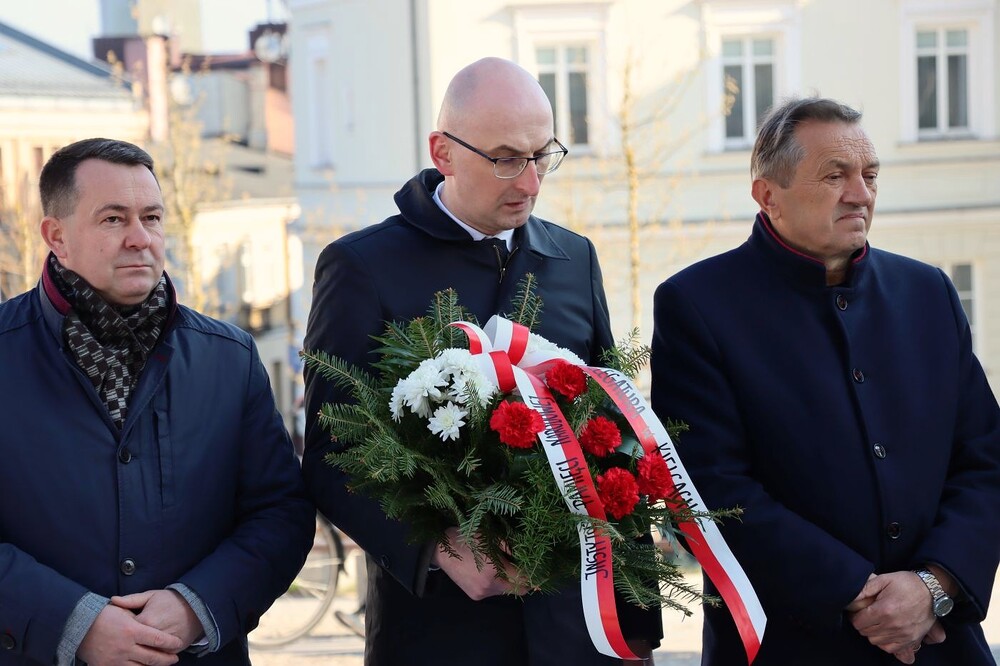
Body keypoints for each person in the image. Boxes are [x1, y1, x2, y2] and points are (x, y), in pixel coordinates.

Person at [303, 57, 662, 665]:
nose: (529, 182)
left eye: (542, 154)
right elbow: (329, 459)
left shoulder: (575, 258)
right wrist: (438, 552)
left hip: (580, 631)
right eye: (504, 158)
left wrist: (635, 616)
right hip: (441, 631)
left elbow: (612, 432)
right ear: (442, 151)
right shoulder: (362, 267)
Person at [650, 96, 1000, 665]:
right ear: (768, 195)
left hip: (940, 642)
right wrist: (859, 594)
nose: (861, 193)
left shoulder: (929, 293)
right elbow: (709, 490)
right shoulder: (698, 305)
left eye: (870, 175)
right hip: (788, 644)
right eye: (834, 175)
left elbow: (985, 458)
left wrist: (933, 585)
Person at [0, 138, 315, 666]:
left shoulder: (228, 358)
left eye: (151, 216)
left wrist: (196, 607)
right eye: (113, 219)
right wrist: (73, 625)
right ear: (57, 236)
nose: (139, 238)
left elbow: (280, 514)